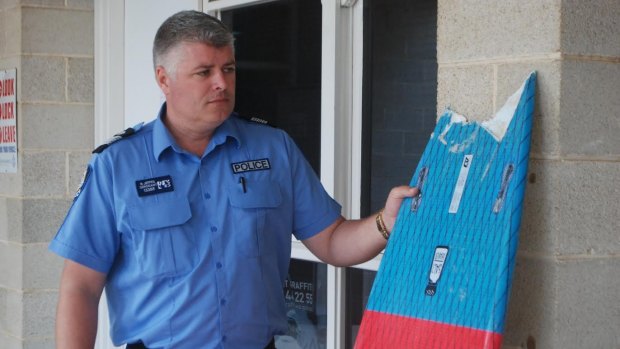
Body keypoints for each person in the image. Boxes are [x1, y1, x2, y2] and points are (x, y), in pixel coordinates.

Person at [49, 10, 417, 349]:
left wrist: (385, 222)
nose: (221, 83)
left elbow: (332, 241)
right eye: (204, 72)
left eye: (229, 69)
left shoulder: (273, 149)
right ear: (163, 78)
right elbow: (80, 287)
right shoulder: (117, 166)